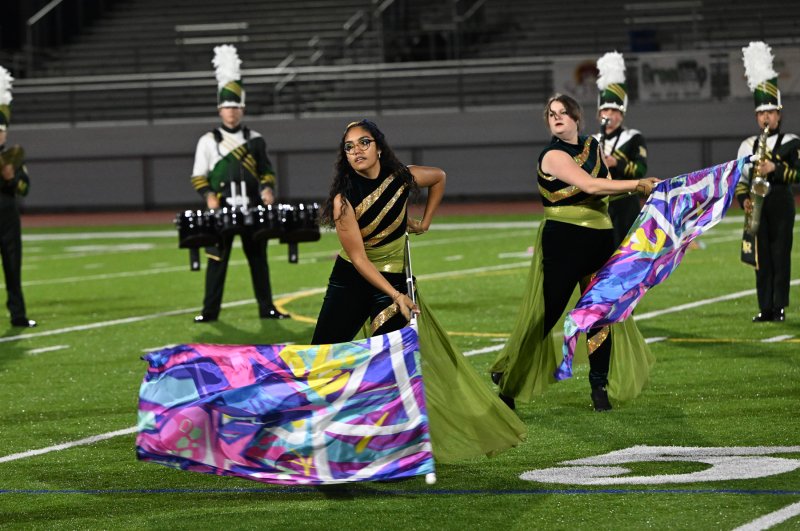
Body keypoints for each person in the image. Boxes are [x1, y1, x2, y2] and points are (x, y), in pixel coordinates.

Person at [312, 119, 525, 462]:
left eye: (364, 143)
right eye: (349, 147)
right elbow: (359, 259)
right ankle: (318, 440)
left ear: (378, 147)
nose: (357, 151)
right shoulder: (343, 201)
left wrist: (425, 222)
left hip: (394, 277)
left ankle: (388, 448)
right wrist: (396, 296)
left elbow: (439, 176)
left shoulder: (401, 178)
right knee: (322, 360)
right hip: (352, 281)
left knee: (390, 365)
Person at [490, 94, 658, 412]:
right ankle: (509, 384)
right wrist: (638, 184)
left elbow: (606, 183)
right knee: (548, 315)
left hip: (599, 240)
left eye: (563, 113)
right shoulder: (552, 155)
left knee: (600, 316)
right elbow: (592, 186)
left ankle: (599, 388)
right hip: (564, 241)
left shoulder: (592, 144)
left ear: (576, 118)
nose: (557, 118)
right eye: (552, 114)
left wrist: (649, 193)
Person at [190, 45, 288, 323]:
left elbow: (266, 171)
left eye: (235, 107)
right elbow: (198, 175)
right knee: (216, 261)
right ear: (220, 110)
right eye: (226, 107)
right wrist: (208, 194)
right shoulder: (207, 141)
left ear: (242, 109)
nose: (231, 112)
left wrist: (267, 188)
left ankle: (267, 308)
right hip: (222, 210)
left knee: (258, 260)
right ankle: (210, 312)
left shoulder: (255, 139)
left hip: (252, 210)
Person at [736, 42, 799, 323]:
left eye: (771, 113)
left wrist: (776, 167)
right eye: (762, 113)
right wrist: (744, 200)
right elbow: (741, 180)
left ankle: (780, 307)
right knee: (761, 258)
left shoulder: (791, 142)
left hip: (782, 201)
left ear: (779, 114)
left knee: (780, 254)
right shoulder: (747, 144)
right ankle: (764, 307)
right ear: (756, 116)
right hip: (757, 203)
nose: (766, 117)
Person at [593, 52, 648, 247]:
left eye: (614, 111)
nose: (610, 115)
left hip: (626, 203)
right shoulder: (592, 141)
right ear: (599, 114)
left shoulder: (633, 137)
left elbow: (641, 171)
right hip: (599, 205)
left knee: (626, 253)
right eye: (606, 110)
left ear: (622, 114)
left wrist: (617, 163)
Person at [0, 65, 35, 328]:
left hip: (8, 212)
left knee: (13, 264)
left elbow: (25, 188)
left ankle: (18, 314)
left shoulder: (13, 156)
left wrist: (11, 177)